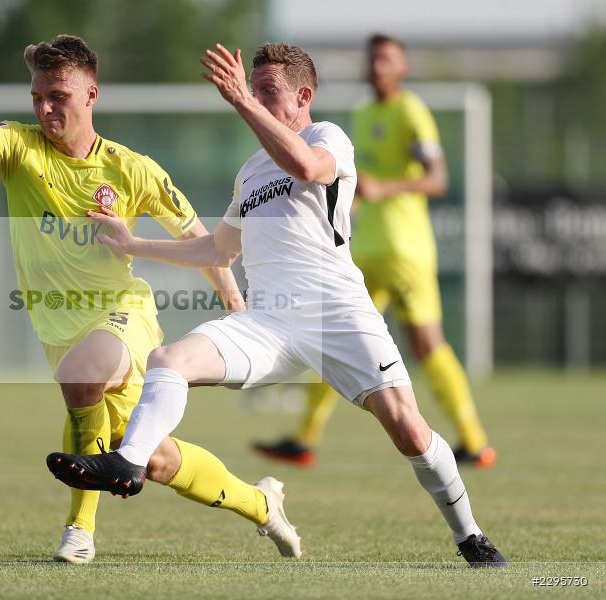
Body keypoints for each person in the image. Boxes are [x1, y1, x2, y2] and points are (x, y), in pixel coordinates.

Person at [46, 41, 507, 567]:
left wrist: (242, 99)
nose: (258, 99)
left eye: (269, 91)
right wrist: (134, 244)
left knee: (409, 430)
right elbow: (219, 248)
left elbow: (310, 168)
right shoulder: (251, 171)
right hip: (268, 321)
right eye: (254, 90)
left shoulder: (326, 137)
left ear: (303, 95)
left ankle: (469, 534)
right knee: (167, 360)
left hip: (339, 314)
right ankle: (127, 463)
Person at [0, 34, 299, 564]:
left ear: (91, 96)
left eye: (57, 95)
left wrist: (234, 304)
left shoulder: (131, 169)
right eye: (37, 95)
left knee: (83, 374)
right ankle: (261, 503)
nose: (44, 107)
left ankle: (79, 530)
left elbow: (195, 235)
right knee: (157, 460)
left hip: (123, 316)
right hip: (58, 327)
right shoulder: (20, 148)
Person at [253, 34, 495, 469]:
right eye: (373, 59)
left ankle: (474, 440)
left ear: (402, 67)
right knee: (332, 335)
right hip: (363, 246)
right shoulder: (362, 115)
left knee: (426, 344)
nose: (378, 66)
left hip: (406, 247)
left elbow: (436, 178)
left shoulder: (410, 110)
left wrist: (387, 187)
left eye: (387, 59)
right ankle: (303, 438)